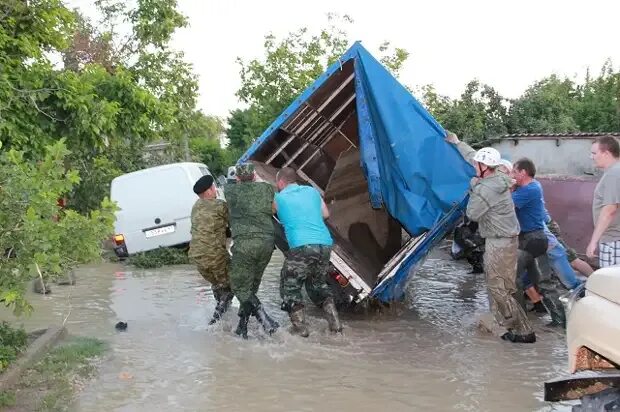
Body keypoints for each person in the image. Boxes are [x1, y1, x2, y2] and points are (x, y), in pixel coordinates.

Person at [446, 132, 535, 343]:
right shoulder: (498, 175)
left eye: (477, 165)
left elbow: (472, 214)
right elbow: (473, 157)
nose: (474, 165)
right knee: (503, 285)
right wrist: (458, 143)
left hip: (500, 242)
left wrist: (474, 185)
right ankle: (505, 324)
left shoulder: (486, 188)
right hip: (506, 240)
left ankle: (523, 331)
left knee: (498, 287)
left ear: (484, 168)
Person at [273, 167, 342, 337]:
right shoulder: (312, 192)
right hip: (324, 245)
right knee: (318, 286)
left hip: (301, 246)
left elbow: (269, 214)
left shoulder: (279, 197)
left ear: (281, 182)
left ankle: (300, 330)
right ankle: (336, 326)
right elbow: (325, 214)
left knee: (290, 288)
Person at [224, 163, 280, 339]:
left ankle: (266, 320)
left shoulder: (231, 191)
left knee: (238, 285)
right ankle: (243, 326)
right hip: (267, 244)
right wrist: (255, 179)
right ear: (254, 176)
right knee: (251, 288)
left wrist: (237, 179)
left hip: (246, 246)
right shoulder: (266, 189)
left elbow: (230, 183)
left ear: (238, 178)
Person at [510, 158, 565, 327]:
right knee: (543, 282)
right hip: (536, 239)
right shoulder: (533, 186)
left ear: (523, 172)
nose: (512, 174)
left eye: (514, 171)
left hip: (530, 240)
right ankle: (560, 321)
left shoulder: (529, 189)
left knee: (512, 278)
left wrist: (508, 187)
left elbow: (506, 204)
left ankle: (519, 320)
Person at [188, 175, 233, 326]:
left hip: (197, 258)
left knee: (217, 284)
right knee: (234, 283)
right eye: (213, 188)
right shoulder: (220, 206)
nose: (215, 190)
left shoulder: (195, 207)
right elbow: (235, 223)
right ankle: (215, 320)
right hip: (214, 255)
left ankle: (222, 322)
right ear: (208, 191)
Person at [587, 135, 620, 267]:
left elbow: (609, 210)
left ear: (606, 153)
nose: (592, 157)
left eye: (594, 153)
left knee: (610, 284)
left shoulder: (614, 174)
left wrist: (593, 242)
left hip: (613, 240)